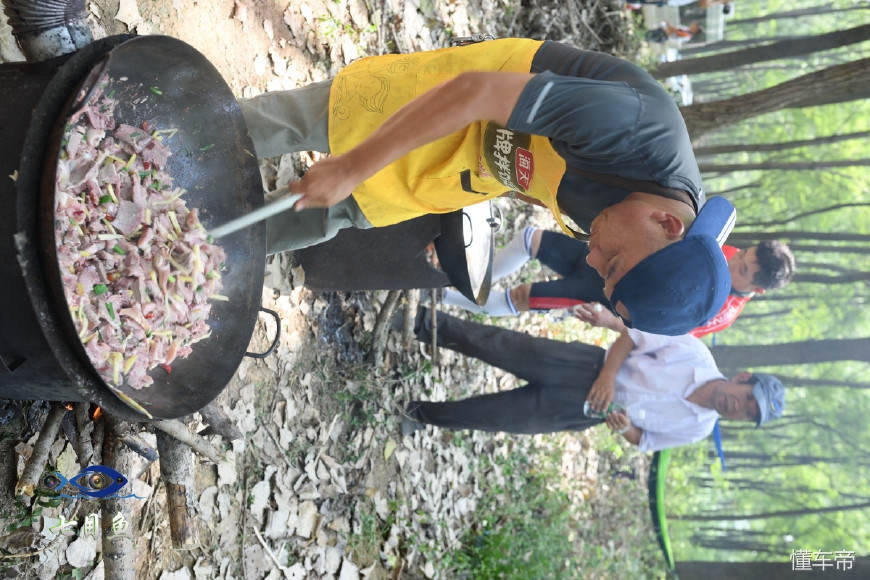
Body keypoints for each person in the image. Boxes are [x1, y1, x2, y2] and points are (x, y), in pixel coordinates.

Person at [239, 38, 736, 335]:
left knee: (343, 209)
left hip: (480, 164)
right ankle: (171, 134)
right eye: (611, 262)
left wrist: (357, 180)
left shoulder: (638, 225)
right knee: (305, 123)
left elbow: (552, 185)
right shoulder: (634, 129)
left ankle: (217, 246)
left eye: (601, 275)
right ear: (667, 222)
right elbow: (474, 92)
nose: (589, 258)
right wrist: (351, 165)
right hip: (460, 94)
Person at [401, 309, 786, 452]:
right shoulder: (697, 356)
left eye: (747, 414)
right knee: (500, 346)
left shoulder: (699, 429)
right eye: (748, 398)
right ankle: (421, 323)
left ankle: (417, 413)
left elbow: (644, 440)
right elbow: (632, 336)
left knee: (500, 416)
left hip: (586, 411)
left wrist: (624, 428)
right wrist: (606, 376)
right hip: (584, 367)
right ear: (742, 378)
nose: (739, 408)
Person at [442, 229, 795, 338]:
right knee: (531, 238)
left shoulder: (721, 313)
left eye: (743, 270)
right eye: (742, 255)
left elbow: (663, 332)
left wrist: (611, 321)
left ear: (756, 289)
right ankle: (468, 276)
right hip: (614, 260)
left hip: (610, 296)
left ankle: (447, 296)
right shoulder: (726, 248)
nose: (734, 261)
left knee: (522, 296)